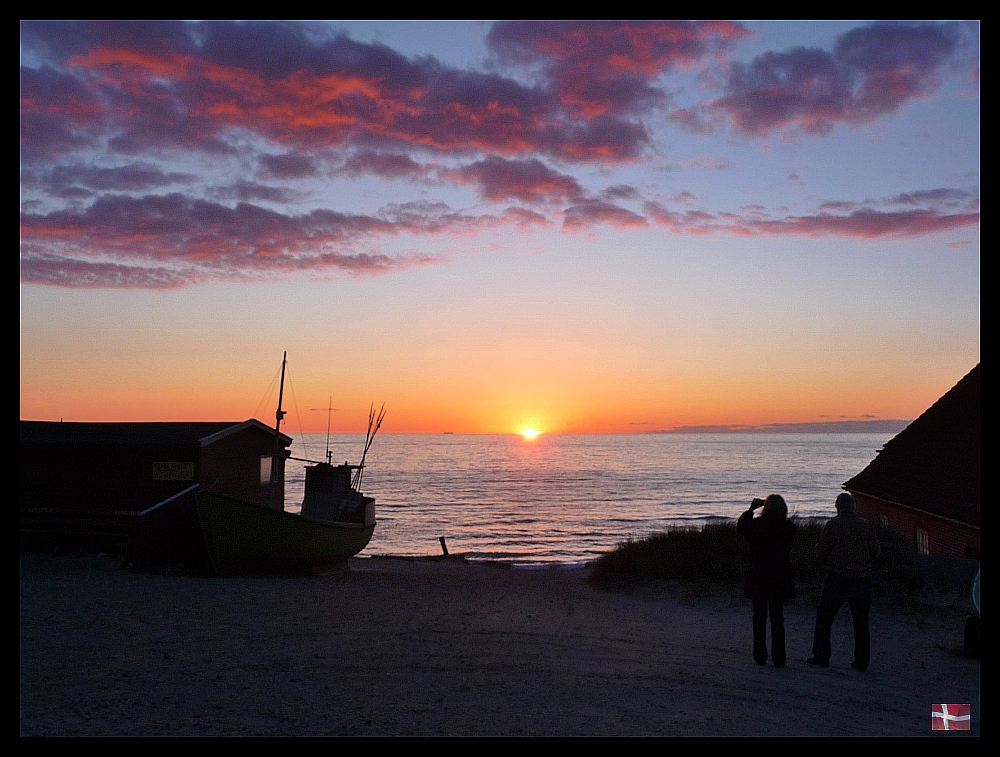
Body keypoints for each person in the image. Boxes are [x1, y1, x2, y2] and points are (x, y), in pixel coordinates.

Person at [808, 492, 881, 671]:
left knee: (825, 617)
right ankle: (862, 661)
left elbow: (821, 552)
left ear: (838, 506)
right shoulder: (866, 525)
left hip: (838, 577)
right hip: (862, 579)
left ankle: (822, 655)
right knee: (861, 621)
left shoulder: (833, 525)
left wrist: (822, 555)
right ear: (853, 506)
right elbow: (876, 552)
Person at [737, 494, 795, 667]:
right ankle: (779, 657)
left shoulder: (757, 525)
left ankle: (760, 656)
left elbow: (742, 529)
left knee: (759, 617)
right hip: (780, 577)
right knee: (777, 617)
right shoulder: (788, 527)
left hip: (759, 576)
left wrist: (750, 510)